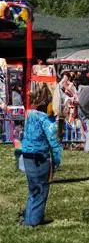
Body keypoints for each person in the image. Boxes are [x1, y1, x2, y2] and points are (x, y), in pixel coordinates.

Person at [19, 84, 61, 226]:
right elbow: (53, 141)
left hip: (27, 154)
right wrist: (56, 161)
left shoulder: (29, 114)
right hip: (40, 156)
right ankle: (34, 222)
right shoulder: (45, 119)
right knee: (41, 189)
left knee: (33, 190)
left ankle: (30, 219)